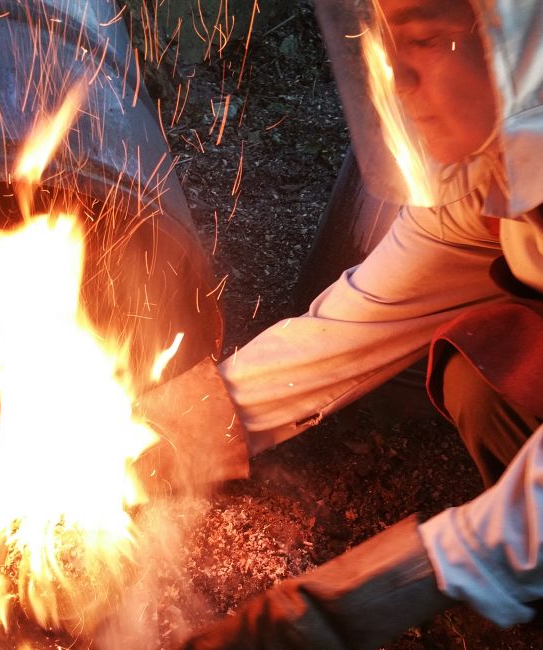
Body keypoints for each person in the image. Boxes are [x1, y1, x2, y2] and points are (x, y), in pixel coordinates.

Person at [138, 0, 543, 646]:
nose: (397, 79)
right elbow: (363, 319)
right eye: (389, 43)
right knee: (488, 374)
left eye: (429, 40)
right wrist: (168, 432)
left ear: (519, 44)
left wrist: (341, 606)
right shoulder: (491, 175)